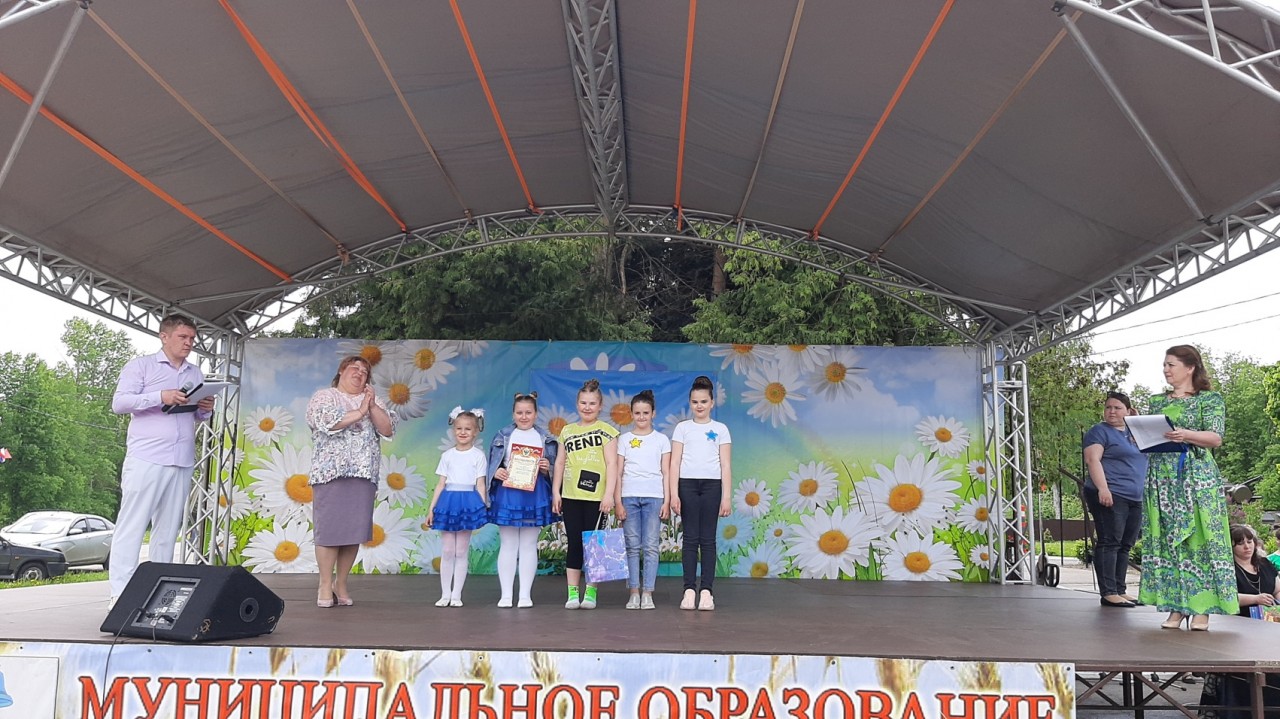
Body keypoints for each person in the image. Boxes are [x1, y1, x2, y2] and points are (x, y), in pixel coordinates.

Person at [108, 314, 218, 604]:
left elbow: (199, 416)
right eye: (183, 337)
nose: (189, 343)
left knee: (168, 530)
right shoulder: (141, 366)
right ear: (164, 336)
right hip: (147, 456)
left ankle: (159, 595)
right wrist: (160, 396)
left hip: (182, 458)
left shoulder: (195, 373)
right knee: (133, 525)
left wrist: (205, 407)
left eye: (192, 338)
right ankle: (120, 594)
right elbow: (119, 403)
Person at [1139, 344, 1237, 630]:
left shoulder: (1209, 399)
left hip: (1196, 476)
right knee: (1168, 539)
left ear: (1190, 367)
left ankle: (1201, 606)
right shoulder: (1157, 401)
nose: (1166, 370)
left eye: (1171, 364)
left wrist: (1186, 434)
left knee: (1199, 538)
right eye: (1165, 365)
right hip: (1162, 477)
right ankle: (1176, 606)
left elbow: (1215, 438)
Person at [306, 355, 396, 608]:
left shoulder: (373, 400)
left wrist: (372, 406)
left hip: (364, 474)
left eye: (364, 371)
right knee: (329, 531)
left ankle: (341, 583)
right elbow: (327, 422)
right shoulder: (325, 396)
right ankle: (325, 584)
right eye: (354, 368)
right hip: (330, 474)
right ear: (341, 371)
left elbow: (387, 429)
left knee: (353, 531)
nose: (359, 373)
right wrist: (359, 412)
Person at [1198, 525, 1280, 717]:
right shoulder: (1225, 569)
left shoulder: (1265, 564)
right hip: (1236, 631)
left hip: (1268, 629)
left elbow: (1277, 589)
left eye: (1250, 542)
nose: (1247, 547)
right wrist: (1255, 599)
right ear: (1231, 546)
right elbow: (1222, 597)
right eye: (1240, 543)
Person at [552, 378, 619, 610]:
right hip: (571, 496)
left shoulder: (607, 431)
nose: (587, 407)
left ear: (600, 406)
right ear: (577, 404)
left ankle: (591, 592)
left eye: (592, 403)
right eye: (583, 403)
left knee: (595, 544)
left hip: (596, 498)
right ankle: (572, 593)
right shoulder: (567, 431)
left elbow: (612, 464)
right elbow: (559, 463)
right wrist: (556, 492)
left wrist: (609, 494)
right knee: (574, 543)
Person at [488, 392, 559, 608]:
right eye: (519, 412)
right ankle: (506, 595)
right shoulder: (502, 436)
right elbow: (491, 465)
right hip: (508, 493)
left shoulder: (545, 438)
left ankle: (525, 595)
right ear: (513, 414)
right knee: (508, 544)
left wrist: (547, 468)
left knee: (529, 544)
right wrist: (496, 472)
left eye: (528, 412)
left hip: (534, 493)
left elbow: (555, 470)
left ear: (536, 414)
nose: (524, 416)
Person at [669, 375, 732, 611]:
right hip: (686, 485)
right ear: (690, 403)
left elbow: (725, 464)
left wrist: (726, 497)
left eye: (704, 401)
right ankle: (688, 590)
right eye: (695, 402)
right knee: (689, 539)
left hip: (712, 486)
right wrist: (674, 494)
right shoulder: (682, 428)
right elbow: (675, 463)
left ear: (712, 403)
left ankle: (706, 591)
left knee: (707, 540)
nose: (699, 406)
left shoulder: (721, 429)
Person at [1082, 391, 1147, 608]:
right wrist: (1103, 488)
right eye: (1108, 407)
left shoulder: (1134, 433)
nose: (1111, 411)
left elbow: (1156, 441)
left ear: (1128, 411)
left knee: (1126, 544)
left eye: (1117, 408)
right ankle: (1108, 592)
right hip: (1111, 492)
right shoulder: (1099, 431)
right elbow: (1093, 460)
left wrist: (1137, 421)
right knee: (1110, 541)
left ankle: (1120, 589)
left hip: (1134, 495)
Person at [425, 407, 488, 607]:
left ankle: (456, 595)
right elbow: (440, 484)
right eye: (459, 428)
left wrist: (481, 508)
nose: (463, 432)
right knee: (447, 550)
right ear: (453, 430)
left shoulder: (478, 456)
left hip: (468, 501)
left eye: (467, 429)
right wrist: (432, 508)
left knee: (461, 551)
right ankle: (445, 594)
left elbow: (480, 484)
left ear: (475, 431)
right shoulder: (447, 455)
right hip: (448, 501)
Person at [614, 390, 671, 610]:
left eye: (645, 413)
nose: (641, 417)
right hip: (628, 496)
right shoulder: (624, 440)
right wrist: (618, 502)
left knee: (650, 546)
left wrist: (666, 501)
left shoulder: (662, 440)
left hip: (654, 497)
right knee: (631, 546)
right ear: (631, 414)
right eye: (637, 413)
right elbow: (618, 472)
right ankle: (634, 592)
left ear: (653, 413)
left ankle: (648, 592)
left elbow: (666, 472)